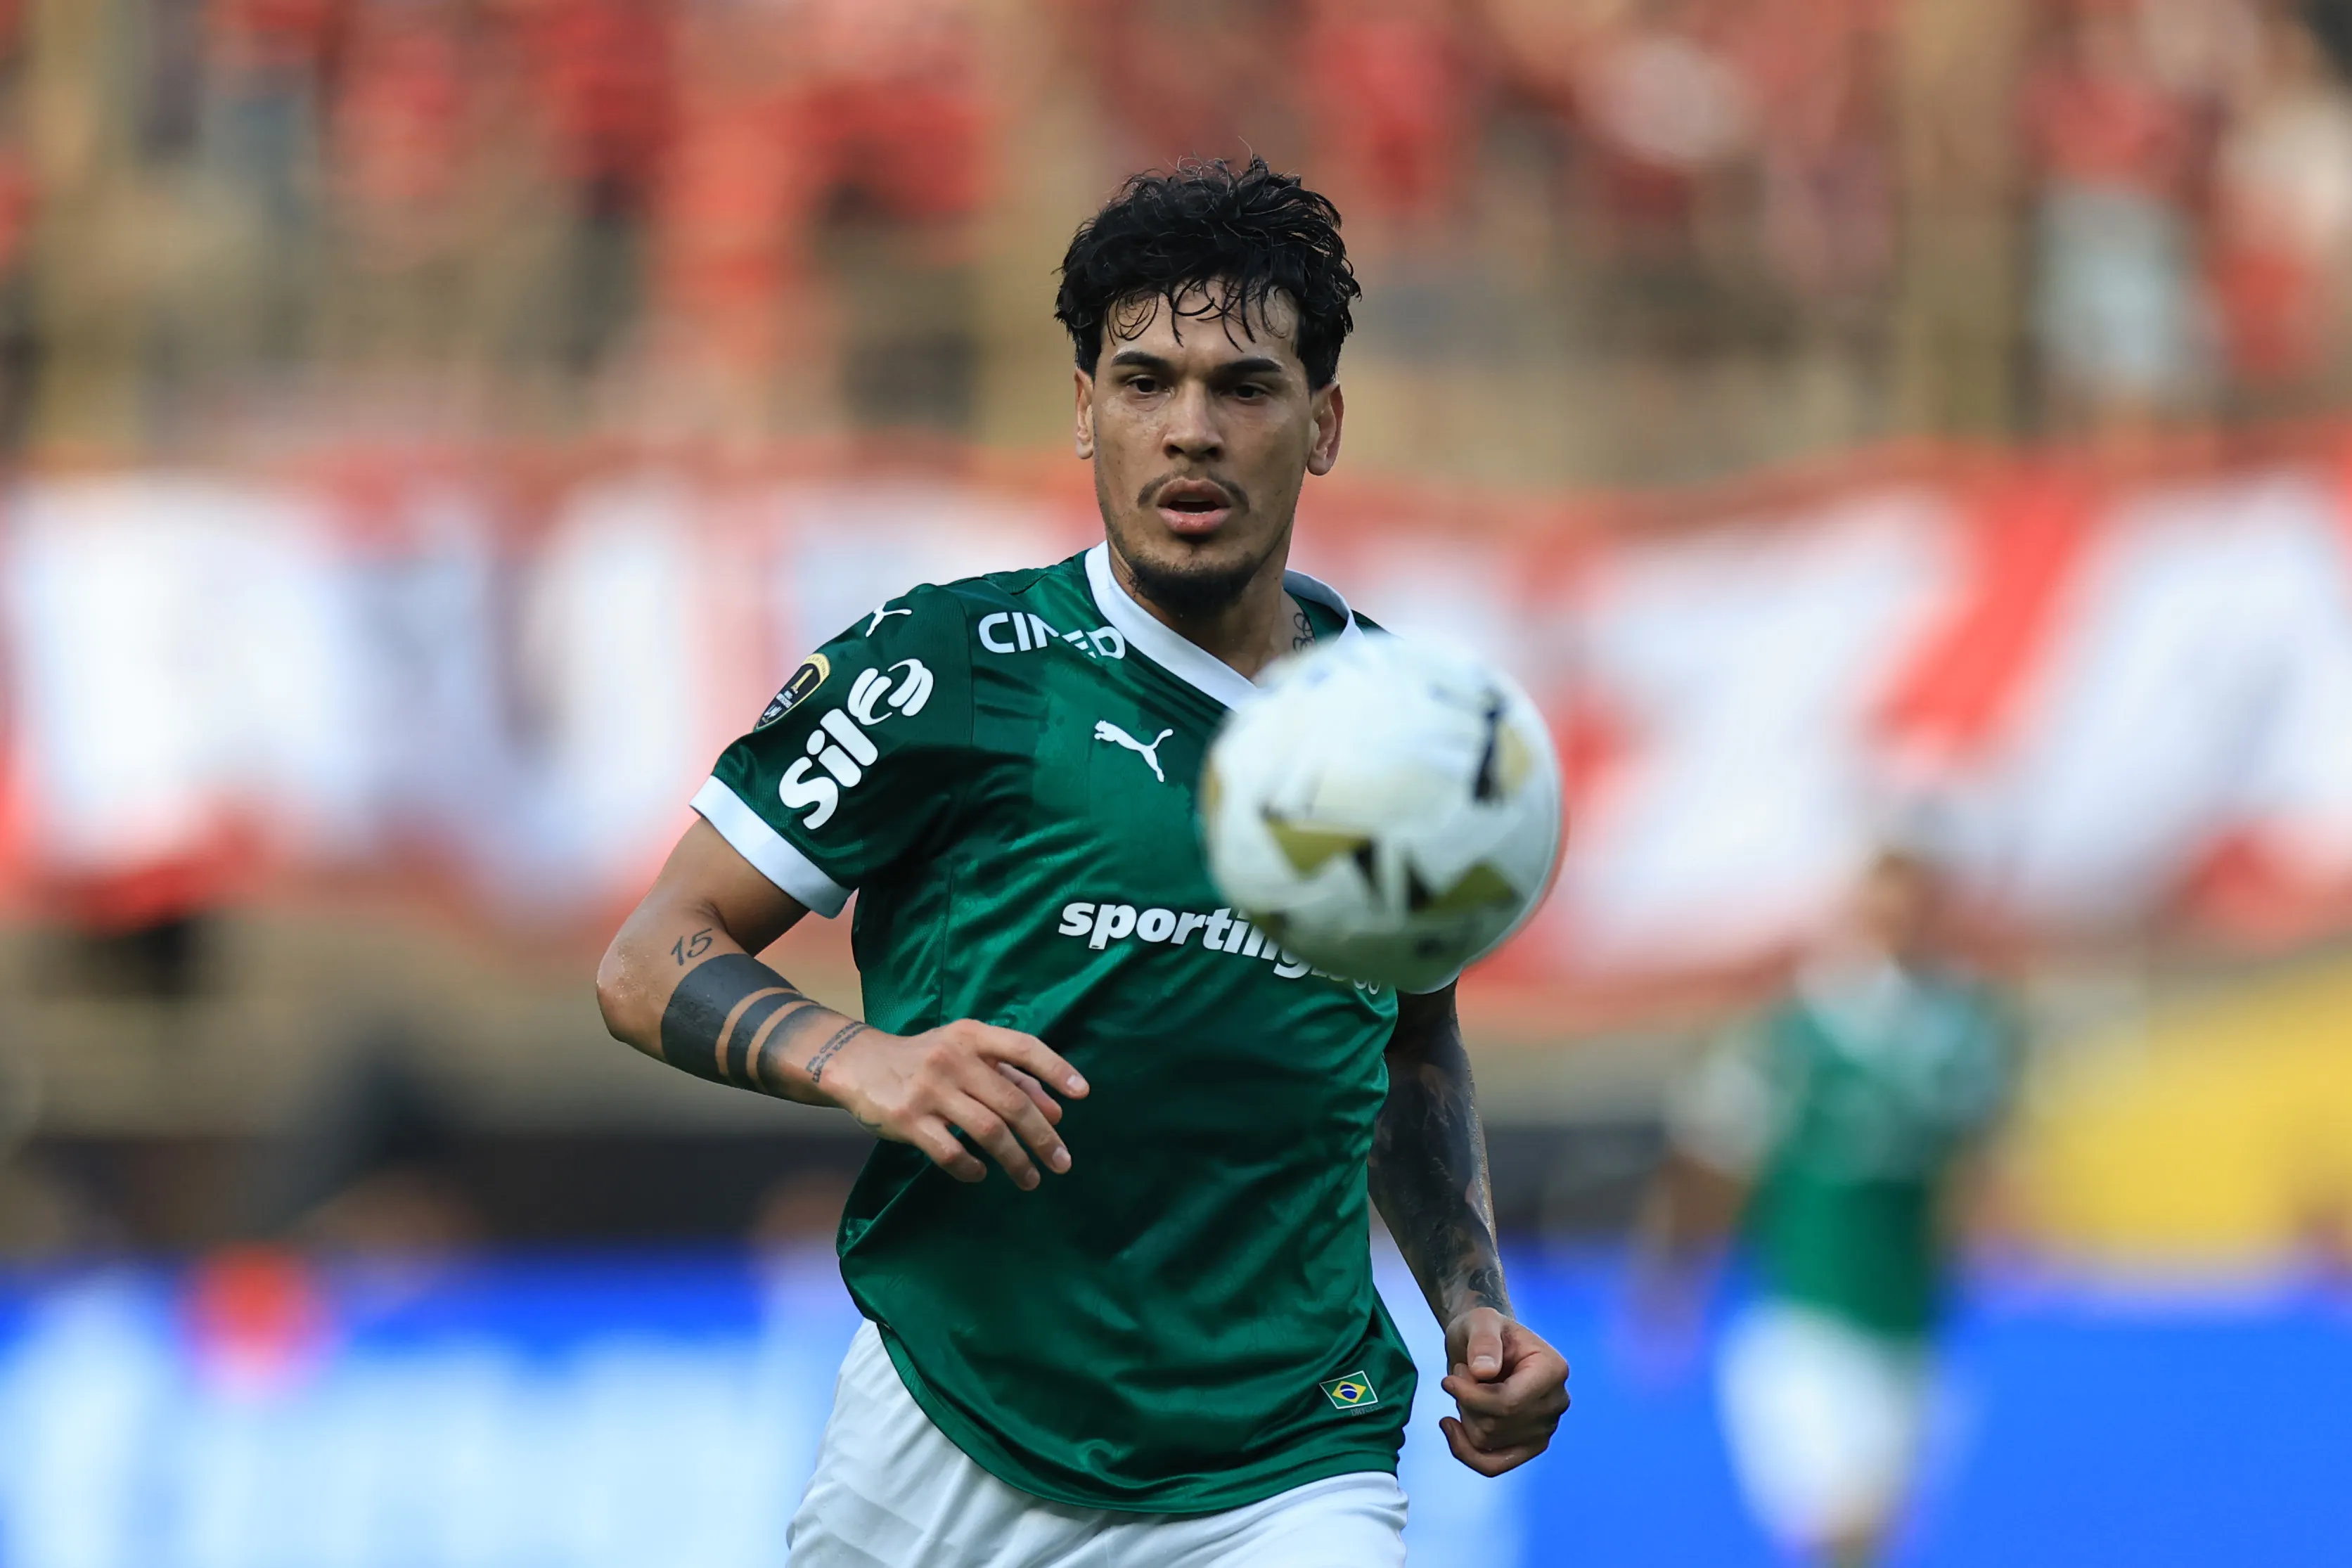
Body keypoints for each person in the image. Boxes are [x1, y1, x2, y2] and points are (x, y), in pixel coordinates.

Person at [596, 158, 1569, 1567]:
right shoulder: (945, 667)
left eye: (1243, 387)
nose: (1190, 430)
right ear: (1081, 410)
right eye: (1142, 380)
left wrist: (1468, 1293)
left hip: (1284, 1453)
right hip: (951, 1423)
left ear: (1323, 424)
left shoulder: (1397, 729)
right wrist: (860, 1057)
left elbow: (1411, 1044)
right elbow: (649, 957)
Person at [1633, 847, 2017, 1568]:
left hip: (1912, 1320)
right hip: (1808, 1313)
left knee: (1875, 1533)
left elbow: (1973, 1159)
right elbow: (1715, 1160)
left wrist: (1985, 1243)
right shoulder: (1794, 1034)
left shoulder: (1967, 1031)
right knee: (1840, 1524)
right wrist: (1676, 1277)